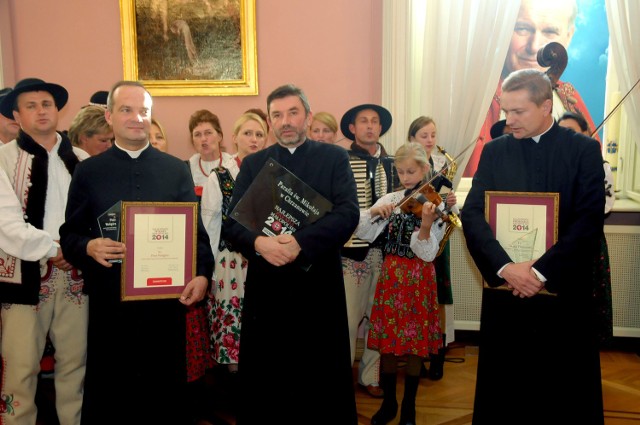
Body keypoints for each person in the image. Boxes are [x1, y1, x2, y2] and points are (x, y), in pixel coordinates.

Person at [59, 80, 215, 425]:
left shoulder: (176, 169)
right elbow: (69, 235)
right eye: (126, 110)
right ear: (109, 115)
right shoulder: (88, 172)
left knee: (165, 399)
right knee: (113, 398)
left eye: (143, 111)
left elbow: (196, 236)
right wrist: (88, 245)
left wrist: (203, 273)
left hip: (165, 309)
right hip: (110, 307)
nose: (136, 118)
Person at [461, 69, 605, 424]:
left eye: (518, 112)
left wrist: (539, 272)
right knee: (505, 392)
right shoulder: (495, 152)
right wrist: (506, 268)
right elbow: (473, 213)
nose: (509, 121)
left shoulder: (584, 150)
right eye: (506, 111)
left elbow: (588, 221)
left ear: (545, 107)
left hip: (562, 292)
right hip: (507, 291)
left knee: (565, 393)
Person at [223, 84, 359, 424]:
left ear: (308, 116)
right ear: (270, 122)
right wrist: (259, 244)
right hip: (268, 288)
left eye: (293, 113)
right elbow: (232, 225)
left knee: (321, 375)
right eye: (277, 115)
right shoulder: (254, 164)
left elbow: (348, 214)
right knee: (269, 378)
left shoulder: (334, 158)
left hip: (319, 286)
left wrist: (300, 242)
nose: (285, 121)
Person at [0, 77, 89, 425]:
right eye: (31, 106)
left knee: (76, 362)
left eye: (47, 104)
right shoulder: (4, 160)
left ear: (57, 110)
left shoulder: (80, 158)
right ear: (17, 115)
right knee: (20, 365)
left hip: (75, 274)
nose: (41, 111)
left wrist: (77, 249)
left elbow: (97, 213)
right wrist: (56, 249)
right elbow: (5, 225)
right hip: (24, 275)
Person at [355, 142, 446, 425]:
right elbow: (362, 232)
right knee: (390, 342)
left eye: (411, 171)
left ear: (425, 170)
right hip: (392, 275)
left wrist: (429, 225)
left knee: (414, 343)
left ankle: (409, 406)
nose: (406, 177)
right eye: (401, 172)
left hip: (419, 278)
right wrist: (374, 214)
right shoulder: (392, 199)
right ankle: (391, 403)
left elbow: (428, 253)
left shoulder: (434, 204)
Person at [463, 0, 599, 177]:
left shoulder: (568, 97)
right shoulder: (478, 97)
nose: (534, 46)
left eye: (550, 31)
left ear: (569, 36)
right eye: (523, 28)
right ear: (502, 32)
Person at [339, 103, 398, 399]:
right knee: (349, 320)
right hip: (352, 252)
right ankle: (342, 377)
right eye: (363, 121)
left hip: (385, 252)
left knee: (378, 317)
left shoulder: (392, 163)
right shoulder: (340, 160)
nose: (370, 126)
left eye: (375, 122)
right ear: (352, 127)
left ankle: (370, 376)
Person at [407, 116, 459, 381]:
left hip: (437, 239)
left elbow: (447, 210)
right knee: (416, 299)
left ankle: (437, 354)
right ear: (412, 138)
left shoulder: (442, 166)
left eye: (433, 135)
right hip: (411, 238)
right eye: (424, 135)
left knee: (437, 297)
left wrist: (449, 203)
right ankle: (417, 354)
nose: (430, 141)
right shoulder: (406, 166)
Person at [558, 110, 614, 345]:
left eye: (571, 132)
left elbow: (605, 204)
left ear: (585, 134)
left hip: (587, 241)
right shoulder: (555, 165)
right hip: (558, 241)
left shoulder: (600, 165)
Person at [186, 109, 236, 197]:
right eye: (197, 134)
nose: (203, 139)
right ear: (192, 140)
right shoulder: (187, 169)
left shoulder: (232, 165)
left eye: (208, 133)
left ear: (220, 136)